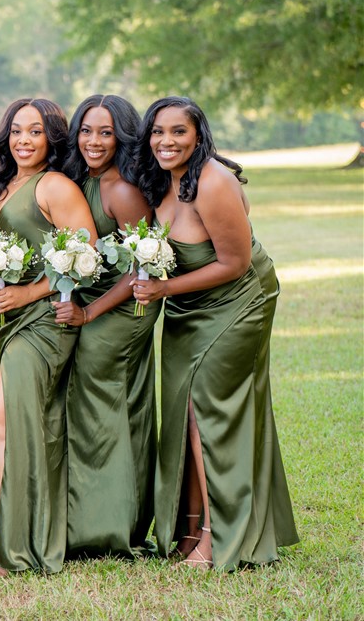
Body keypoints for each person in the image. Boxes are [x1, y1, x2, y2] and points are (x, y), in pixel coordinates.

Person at [132, 96, 298, 570]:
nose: (166, 141)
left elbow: (235, 263)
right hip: (189, 306)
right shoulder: (161, 180)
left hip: (240, 301)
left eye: (178, 132)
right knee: (185, 409)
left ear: (198, 136)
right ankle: (188, 526)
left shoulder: (213, 182)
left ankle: (216, 534)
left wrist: (162, 287)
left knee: (207, 409)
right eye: (158, 131)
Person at [0, 98, 99, 580]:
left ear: (52, 137)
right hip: (10, 319)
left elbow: (84, 252)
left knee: (2, 418)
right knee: (14, 426)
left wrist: (27, 292)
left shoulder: (55, 185)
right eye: (16, 130)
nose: (23, 140)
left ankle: (9, 550)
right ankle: (15, 532)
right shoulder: (2, 185)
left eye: (35, 131)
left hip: (46, 321)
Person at [52, 95, 158, 556]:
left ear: (123, 137)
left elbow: (142, 270)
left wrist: (90, 313)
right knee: (85, 402)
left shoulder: (122, 191)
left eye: (106, 132)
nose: (94, 141)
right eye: (87, 130)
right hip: (94, 299)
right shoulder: (79, 180)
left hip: (128, 304)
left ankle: (110, 527)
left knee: (98, 390)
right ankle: (82, 517)